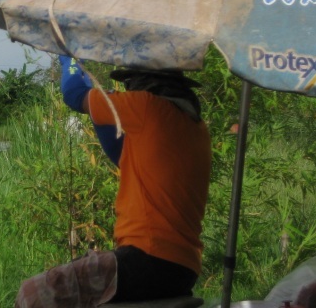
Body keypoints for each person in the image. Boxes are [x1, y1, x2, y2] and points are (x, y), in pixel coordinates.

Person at [15, 56, 212, 308]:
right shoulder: (194, 126)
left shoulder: (147, 107)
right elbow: (118, 152)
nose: (129, 92)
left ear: (146, 84)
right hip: (182, 268)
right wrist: (102, 106)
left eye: (132, 85)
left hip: (149, 258)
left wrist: (69, 59)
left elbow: (74, 95)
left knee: (34, 292)